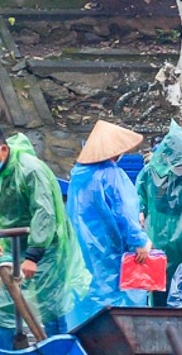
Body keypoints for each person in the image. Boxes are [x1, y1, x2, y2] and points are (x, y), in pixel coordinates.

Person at [0, 124, 89, 347]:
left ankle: (57, 354)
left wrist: (33, 256)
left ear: (2, 150)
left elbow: (44, 213)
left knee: (50, 304)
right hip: (10, 244)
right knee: (5, 305)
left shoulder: (31, 170)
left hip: (46, 246)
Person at [65, 120, 154, 329]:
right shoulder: (111, 175)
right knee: (113, 303)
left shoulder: (78, 176)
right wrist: (140, 240)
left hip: (81, 250)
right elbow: (125, 212)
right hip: (108, 251)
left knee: (85, 299)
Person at [137, 121, 182, 266]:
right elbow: (140, 194)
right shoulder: (152, 171)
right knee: (161, 266)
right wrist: (140, 210)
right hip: (159, 227)